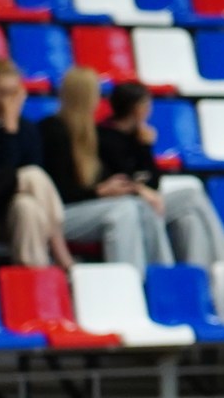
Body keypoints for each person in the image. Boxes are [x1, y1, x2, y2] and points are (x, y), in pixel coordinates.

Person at [41, 68, 163, 267]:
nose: (98, 102)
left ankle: (161, 275)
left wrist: (128, 187)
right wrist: (98, 192)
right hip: (60, 215)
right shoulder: (52, 131)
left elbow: (112, 176)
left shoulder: (90, 132)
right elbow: (58, 192)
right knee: (125, 209)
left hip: (88, 206)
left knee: (143, 205)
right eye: (96, 95)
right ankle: (128, 278)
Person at [104, 82, 224, 269]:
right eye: (147, 105)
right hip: (129, 205)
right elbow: (121, 180)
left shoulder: (138, 136)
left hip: (147, 201)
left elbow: (153, 182)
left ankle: (197, 276)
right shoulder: (104, 137)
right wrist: (140, 187)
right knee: (192, 195)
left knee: (189, 220)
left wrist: (145, 147)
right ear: (138, 109)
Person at [0, 54, 67, 268]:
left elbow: (37, 183)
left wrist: (13, 129)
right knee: (32, 175)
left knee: (26, 206)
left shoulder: (28, 129)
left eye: (14, 92)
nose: (9, 99)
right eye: (2, 92)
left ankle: (34, 275)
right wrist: (9, 131)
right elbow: (0, 179)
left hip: (19, 213)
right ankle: (59, 247)